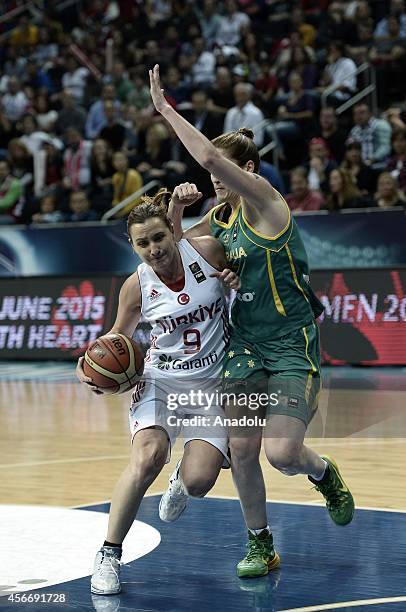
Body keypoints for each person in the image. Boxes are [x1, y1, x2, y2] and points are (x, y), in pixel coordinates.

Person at [149, 63, 355, 579]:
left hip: (289, 342)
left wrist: (166, 111)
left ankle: (322, 472)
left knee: (282, 453)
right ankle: (260, 542)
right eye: (212, 177)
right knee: (242, 447)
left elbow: (212, 154)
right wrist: (175, 209)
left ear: (249, 172)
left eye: (222, 174)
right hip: (245, 345)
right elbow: (177, 251)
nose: (214, 179)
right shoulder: (220, 218)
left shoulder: (268, 205)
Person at [76, 190, 240, 594]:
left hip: (213, 383)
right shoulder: (136, 286)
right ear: (133, 246)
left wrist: (236, 280)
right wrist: (92, 369)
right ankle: (108, 555)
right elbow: (118, 337)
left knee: (200, 480)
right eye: (142, 243)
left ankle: (182, 480)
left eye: (158, 238)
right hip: (160, 380)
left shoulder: (209, 252)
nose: (153, 249)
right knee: (148, 457)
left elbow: (243, 290)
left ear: (172, 231)